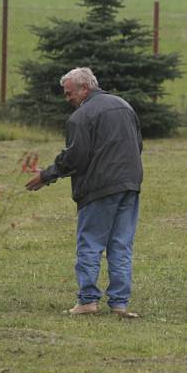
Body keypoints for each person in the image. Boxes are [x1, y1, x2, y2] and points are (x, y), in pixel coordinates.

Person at [25, 67, 143, 318]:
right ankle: (120, 304)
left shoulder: (81, 117)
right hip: (130, 185)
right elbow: (138, 145)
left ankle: (88, 300)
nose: (67, 99)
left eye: (69, 94)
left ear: (84, 89)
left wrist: (46, 175)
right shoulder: (124, 106)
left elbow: (75, 157)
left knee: (90, 243)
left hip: (99, 189)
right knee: (121, 245)